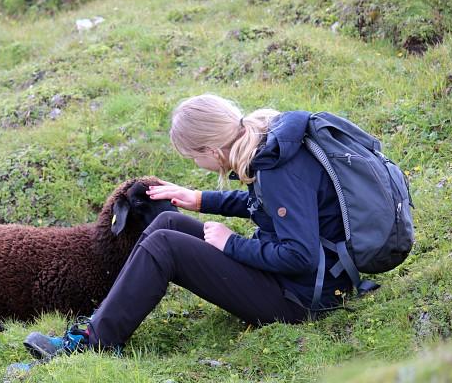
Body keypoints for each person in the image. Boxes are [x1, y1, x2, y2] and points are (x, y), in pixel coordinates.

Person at [21, 93, 352, 359]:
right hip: (303, 282)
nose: (196, 164)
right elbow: (271, 209)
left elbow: (300, 256)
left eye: (193, 157)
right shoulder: (270, 149)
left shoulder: (277, 169)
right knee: (167, 221)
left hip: (301, 299)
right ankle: (107, 319)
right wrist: (199, 199)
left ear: (210, 150)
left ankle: (95, 343)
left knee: (165, 244)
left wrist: (230, 244)